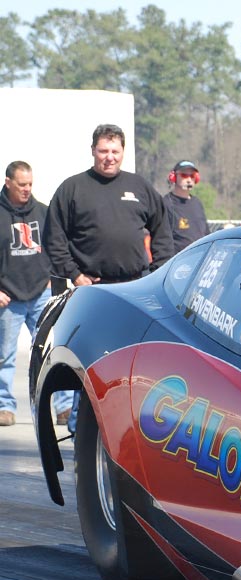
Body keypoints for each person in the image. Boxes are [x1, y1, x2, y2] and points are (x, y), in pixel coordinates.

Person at [46, 124, 176, 432]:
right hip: (91, 290)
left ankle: (127, 426)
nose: (109, 157)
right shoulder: (72, 189)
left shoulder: (140, 187)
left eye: (115, 151)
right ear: (93, 151)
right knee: (89, 357)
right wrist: (75, 274)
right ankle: (82, 427)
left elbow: (162, 231)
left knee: (133, 360)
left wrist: (158, 273)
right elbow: (54, 238)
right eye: (103, 151)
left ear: (123, 152)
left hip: (134, 288)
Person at [0, 162, 70, 427]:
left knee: (53, 350)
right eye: (21, 185)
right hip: (9, 299)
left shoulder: (43, 212)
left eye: (30, 184)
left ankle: (63, 407)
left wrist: (54, 282)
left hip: (41, 293)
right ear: (8, 183)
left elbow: (57, 247)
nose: (27, 189)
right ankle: (4, 407)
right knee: (5, 356)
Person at [164, 159, 209, 250]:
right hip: (179, 259)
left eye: (192, 176)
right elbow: (162, 238)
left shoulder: (197, 203)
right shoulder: (166, 203)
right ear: (174, 177)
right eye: (184, 175)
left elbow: (206, 233)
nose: (189, 180)